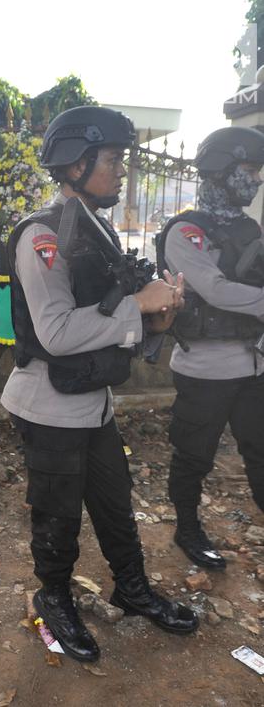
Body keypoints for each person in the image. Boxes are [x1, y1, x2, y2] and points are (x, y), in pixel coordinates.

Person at [1, 105, 198, 664]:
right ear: (75, 161)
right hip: (48, 404)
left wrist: (155, 316)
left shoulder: (97, 228)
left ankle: (131, 589)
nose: (120, 171)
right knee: (57, 513)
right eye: (111, 159)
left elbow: (109, 319)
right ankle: (54, 595)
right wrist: (138, 305)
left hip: (94, 402)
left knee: (115, 503)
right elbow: (58, 333)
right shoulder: (44, 235)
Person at [158, 126, 264, 571]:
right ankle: (187, 527)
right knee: (194, 456)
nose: (257, 180)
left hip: (252, 365)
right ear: (221, 171)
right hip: (203, 369)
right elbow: (216, 291)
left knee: (260, 450)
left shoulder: (247, 227)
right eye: (249, 170)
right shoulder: (186, 232)